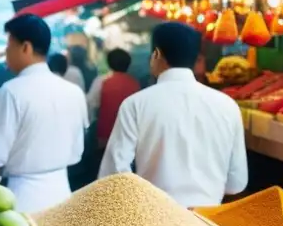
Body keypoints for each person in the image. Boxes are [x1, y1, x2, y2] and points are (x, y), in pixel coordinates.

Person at [99, 21, 247, 207]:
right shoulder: (227, 105)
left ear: (156, 54)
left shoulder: (136, 104)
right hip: (209, 223)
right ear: (196, 58)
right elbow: (236, 184)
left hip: (155, 220)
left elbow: (112, 175)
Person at [0, 14, 88, 212]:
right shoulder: (74, 92)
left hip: (21, 199)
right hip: (62, 194)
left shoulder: (9, 93)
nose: (6, 53)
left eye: (9, 46)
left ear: (25, 47)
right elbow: (76, 151)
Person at [87, 48, 140, 148]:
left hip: (105, 136)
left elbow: (92, 103)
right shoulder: (135, 84)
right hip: (129, 135)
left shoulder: (102, 81)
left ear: (109, 63)